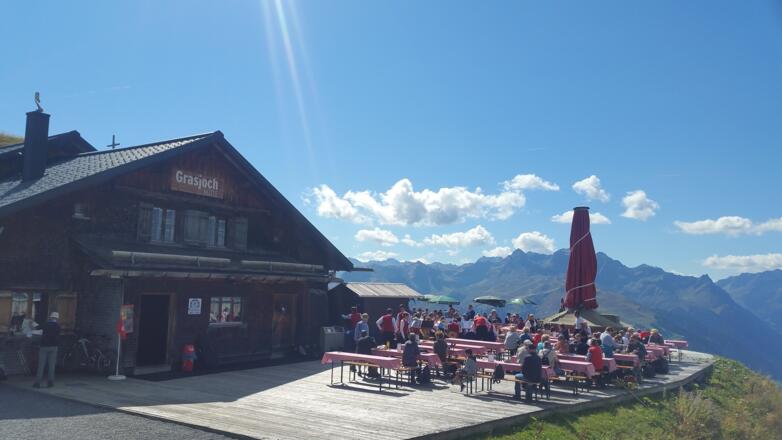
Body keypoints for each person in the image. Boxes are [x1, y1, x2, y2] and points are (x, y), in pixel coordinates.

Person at [33, 312, 60, 388]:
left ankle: (37, 383)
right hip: (54, 347)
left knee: (41, 365)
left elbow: (37, 328)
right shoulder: (58, 326)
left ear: (50, 317)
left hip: (44, 346)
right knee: (51, 366)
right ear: (57, 318)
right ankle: (50, 382)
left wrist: (32, 322)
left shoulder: (46, 324)